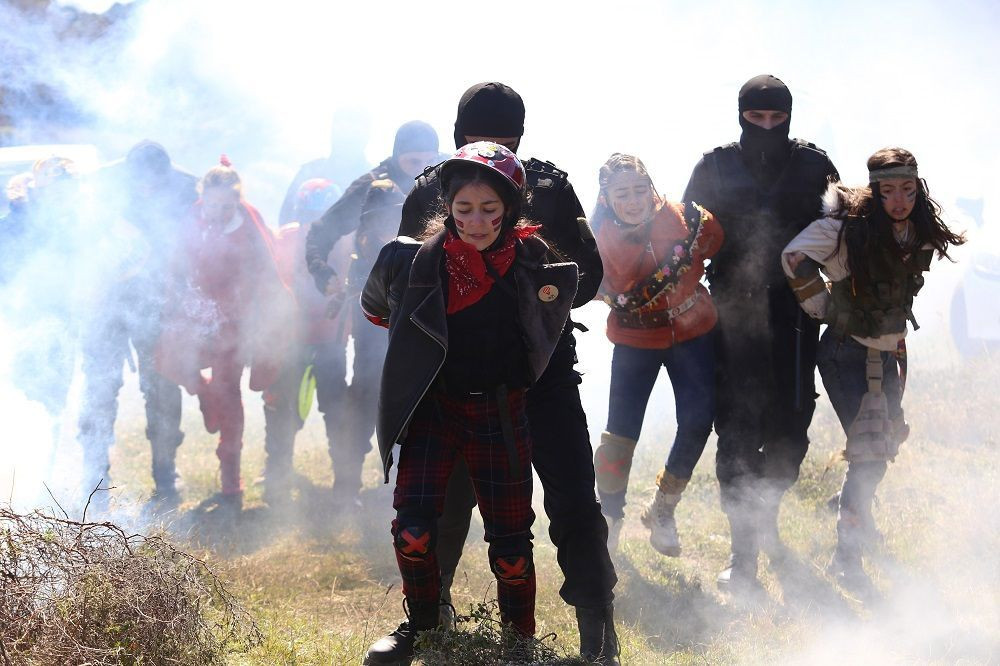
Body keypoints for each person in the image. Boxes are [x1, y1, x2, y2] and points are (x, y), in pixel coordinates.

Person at [395, 82, 617, 664]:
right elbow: (404, 289)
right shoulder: (432, 190)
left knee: (571, 498)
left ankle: (598, 628)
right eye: (477, 139)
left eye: (507, 139)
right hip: (456, 382)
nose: (491, 151)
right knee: (439, 508)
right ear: (456, 138)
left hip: (539, 375)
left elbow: (587, 276)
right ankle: (427, 621)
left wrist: (535, 290)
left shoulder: (546, 185)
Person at [360, 142, 578, 664]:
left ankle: (519, 643)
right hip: (432, 411)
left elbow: (546, 332)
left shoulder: (534, 264)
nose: (476, 222)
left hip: (500, 414)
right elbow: (375, 310)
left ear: (510, 209)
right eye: (463, 210)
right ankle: (424, 629)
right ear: (447, 208)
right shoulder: (408, 262)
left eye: (490, 210)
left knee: (509, 547)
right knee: (413, 531)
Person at [681, 74, 840, 594]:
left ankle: (766, 514)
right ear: (741, 115)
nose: (766, 127)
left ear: (789, 117)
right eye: (756, 118)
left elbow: (846, 235)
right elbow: (682, 238)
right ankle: (742, 555)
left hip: (795, 316)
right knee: (737, 431)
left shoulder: (816, 167)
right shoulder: (714, 166)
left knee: (792, 431)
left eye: (776, 118)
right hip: (730, 315)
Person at [782, 147, 963, 597]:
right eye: (888, 191)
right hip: (846, 352)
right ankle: (846, 558)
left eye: (907, 190)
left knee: (880, 451)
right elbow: (793, 256)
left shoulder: (917, 230)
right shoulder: (845, 231)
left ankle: (848, 509)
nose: (899, 200)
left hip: (887, 353)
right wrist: (817, 303)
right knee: (868, 456)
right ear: (875, 191)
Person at [591, 154, 724, 557]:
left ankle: (663, 509)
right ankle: (611, 520)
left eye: (639, 190)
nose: (633, 201)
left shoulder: (691, 220)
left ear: (651, 188)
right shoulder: (594, 238)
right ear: (607, 198)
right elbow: (588, 285)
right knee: (619, 435)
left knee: (699, 421)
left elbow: (717, 245)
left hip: (693, 333)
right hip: (634, 341)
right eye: (622, 194)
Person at [156, 157, 293, 513]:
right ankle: (203, 393)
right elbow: (175, 264)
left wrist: (269, 320)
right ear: (203, 196)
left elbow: (268, 273)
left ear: (237, 200)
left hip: (234, 323)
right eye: (212, 203)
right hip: (196, 313)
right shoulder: (192, 217)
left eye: (226, 204)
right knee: (169, 362)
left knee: (228, 395)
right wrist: (175, 304)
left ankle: (231, 480)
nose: (218, 211)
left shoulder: (248, 221)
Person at [76, 141, 196, 510]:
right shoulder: (102, 186)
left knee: (160, 389)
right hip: (106, 302)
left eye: (153, 182)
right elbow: (80, 239)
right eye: (140, 182)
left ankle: (165, 476)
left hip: (157, 302)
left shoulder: (187, 189)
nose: (147, 188)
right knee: (99, 391)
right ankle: (95, 479)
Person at [264, 178, 349, 505]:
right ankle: (276, 474)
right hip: (291, 338)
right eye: (310, 213)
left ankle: (344, 480)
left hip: (330, 336)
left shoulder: (344, 241)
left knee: (335, 407)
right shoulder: (284, 238)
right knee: (280, 404)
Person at [305, 119, 440, 296]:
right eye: (413, 162)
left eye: (430, 160)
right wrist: (322, 272)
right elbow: (320, 232)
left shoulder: (444, 177)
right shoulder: (370, 187)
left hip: (428, 294)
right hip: (372, 294)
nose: (423, 169)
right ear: (397, 156)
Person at [276, 107, 369, 225]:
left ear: (366, 135)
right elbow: (286, 219)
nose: (347, 137)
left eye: (353, 133)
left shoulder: (377, 181)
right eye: (343, 131)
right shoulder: (310, 172)